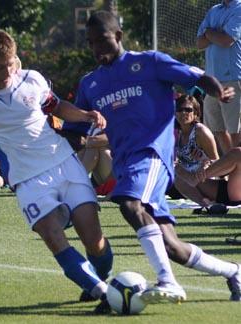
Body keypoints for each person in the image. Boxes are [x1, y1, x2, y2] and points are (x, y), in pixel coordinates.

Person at [76, 10, 240, 308]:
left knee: (129, 204)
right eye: (90, 43)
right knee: (171, 245)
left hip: (153, 155)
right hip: (126, 163)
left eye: (102, 40)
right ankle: (234, 272)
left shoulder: (149, 62)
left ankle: (168, 281)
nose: (97, 48)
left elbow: (197, 77)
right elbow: (75, 127)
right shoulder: (91, 84)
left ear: (119, 36)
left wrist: (218, 91)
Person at [0, 29, 113, 314]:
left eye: (10, 63)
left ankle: (97, 279)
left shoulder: (32, 79)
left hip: (65, 165)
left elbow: (56, 106)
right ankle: (105, 292)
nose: (7, 72)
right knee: (52, 235)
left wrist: (85, 115)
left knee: (94, 241)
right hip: (27, 180)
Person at [197, 0, 241, 153]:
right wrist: (215, 33)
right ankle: (232, 168)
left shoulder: (240, 8)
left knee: (235, 132)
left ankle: (237, 171)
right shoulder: (214, 10)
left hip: (233, 79)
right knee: (216, 129)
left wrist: (209, 32)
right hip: (212, 82)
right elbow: (199, 42)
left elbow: (226, 40)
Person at [174, 94, 221, 209]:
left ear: (195, 113)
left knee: (177, 176)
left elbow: (217, 162)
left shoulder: (200, 131)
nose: (184, 113)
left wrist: (203, 161)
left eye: (188, 110)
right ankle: (205, 203)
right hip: (188, 181)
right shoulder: (179, 133)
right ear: (175, 113)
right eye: (179, 110)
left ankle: (206, 203)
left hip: (206, 178)